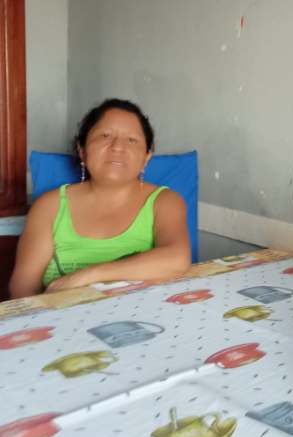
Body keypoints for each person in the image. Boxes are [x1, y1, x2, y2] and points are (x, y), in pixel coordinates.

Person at [9, 99, 191, 299]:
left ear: (146, 158)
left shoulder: (164, 201)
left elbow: (178, 259)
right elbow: (23, 288)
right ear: (83, 151)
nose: (117, 147)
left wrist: (89, 274)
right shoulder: (49, 206)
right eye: (105, 135)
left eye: (132, 139)